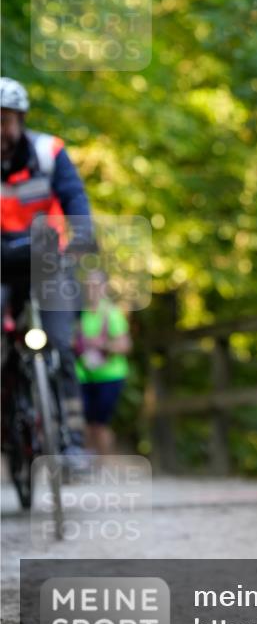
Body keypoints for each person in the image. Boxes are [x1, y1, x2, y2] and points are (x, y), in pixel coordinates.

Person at [1, 76, 95, 459]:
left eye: (5, 120)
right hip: (2, 262)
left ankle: (72, 441)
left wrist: (84, 235)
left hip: (47, 255)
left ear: (21, 120)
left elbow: (74, 195)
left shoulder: (47, 151)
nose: (0, 129)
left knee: (60, 343)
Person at [74, 269, 131, 457]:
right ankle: (88, 463)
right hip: (84, 375)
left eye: (95, 285)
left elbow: (125, 345)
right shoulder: (80, 314)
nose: (91, 289)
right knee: (86, 423)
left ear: (104, 287)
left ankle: (103, 464)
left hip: (110, 375)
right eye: (88, 285)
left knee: (100, 423)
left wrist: (103, 345)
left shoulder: (112, 313)